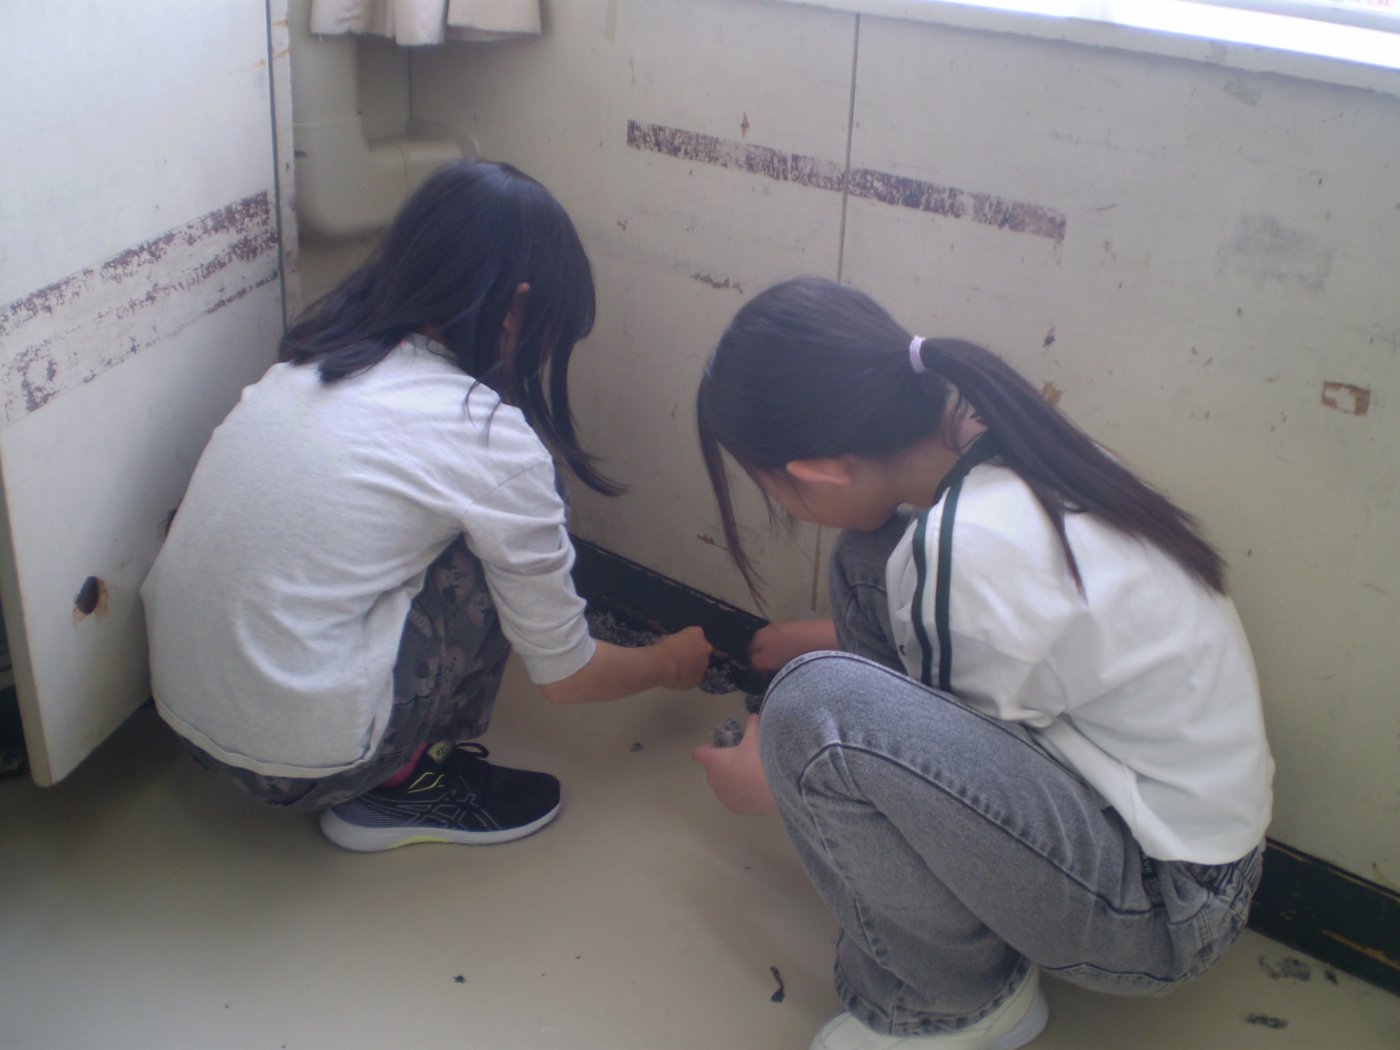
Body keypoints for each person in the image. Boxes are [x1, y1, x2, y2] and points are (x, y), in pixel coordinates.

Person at [690, 277, 1273, 1050]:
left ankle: (956, 1004)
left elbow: (948, 762)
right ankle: (951, 934)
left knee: (807, 712)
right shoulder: (999, 435)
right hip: (1197, 848)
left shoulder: (959, 551)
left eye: (771, 489)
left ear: (821, 471)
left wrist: (780, 777)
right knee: (866, 565)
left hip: (1166, 913)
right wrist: (824, 640)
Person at [142, 160, 712, 853]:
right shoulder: (487, 435)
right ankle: (406, 784)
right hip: (300, 765)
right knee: (499, 526)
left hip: (179, 715)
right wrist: (670, 663)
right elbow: (567, 678)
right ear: (517, 309)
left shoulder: (303, 369)